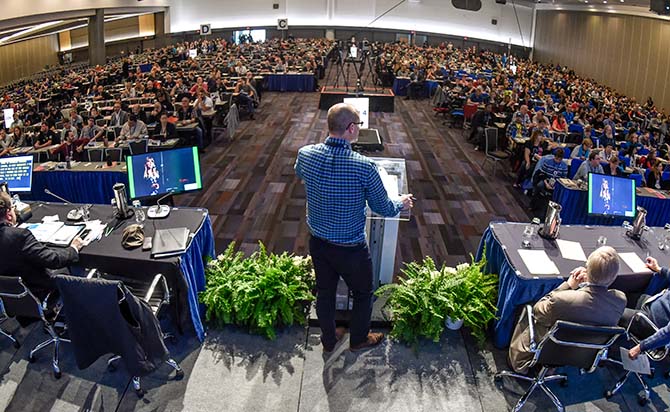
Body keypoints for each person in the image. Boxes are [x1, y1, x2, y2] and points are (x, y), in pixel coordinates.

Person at [294, 103, 414, 353]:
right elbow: (383, 207)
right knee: (362, 293)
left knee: (325, 292)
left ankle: (328, 341)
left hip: (318, 242)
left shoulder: (305, 154)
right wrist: (401, 203)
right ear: (350, 129)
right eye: (358, 125)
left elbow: (300, 173)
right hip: (351, 248)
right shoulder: (364, 167)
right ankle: (358, 339)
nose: (359, 129)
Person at [508, 246, 626, 374]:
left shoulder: (562, 299)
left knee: (531, 310)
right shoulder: (620, 300)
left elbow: (537, 311)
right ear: (614, 277)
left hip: (548, 349)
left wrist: (569, 285)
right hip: (581, 355)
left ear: (587, 270)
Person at [0, 192, 84, 301]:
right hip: (39, 293)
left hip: (9, 299)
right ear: (8, 214)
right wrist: (73, 248)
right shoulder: (19, 236)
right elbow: (53, 260)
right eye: (13, 207)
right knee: (70, 268)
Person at [624, 256, 670, 360]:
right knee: (621, 296)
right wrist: (658, 268)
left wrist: (641, 347)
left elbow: (667, 334)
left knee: (614, 311)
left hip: (649, 324)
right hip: (649, 303)